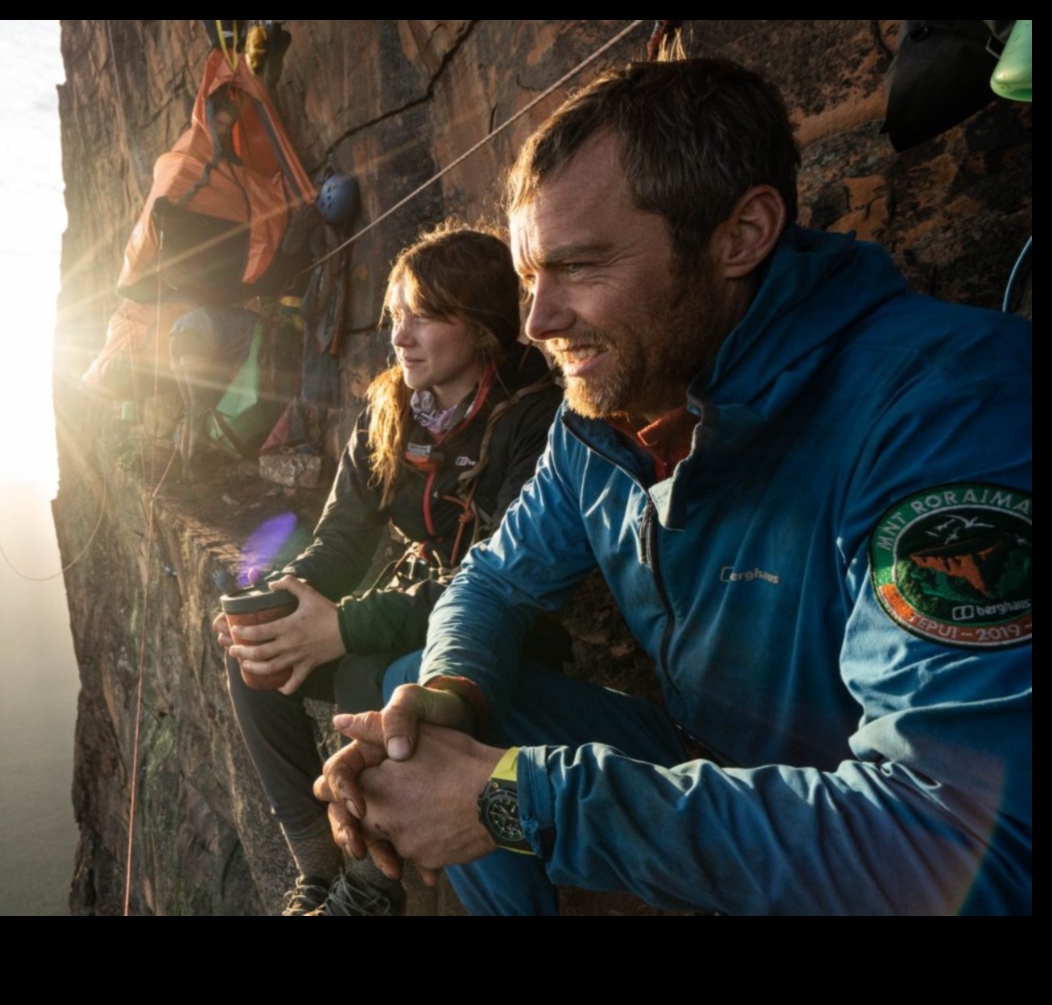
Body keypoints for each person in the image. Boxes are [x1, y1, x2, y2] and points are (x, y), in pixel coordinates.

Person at [314, 58, 1032, 915]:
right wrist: (447, 694)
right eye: (529, 277)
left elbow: (961, 838)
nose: (537, 322)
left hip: (858, 813)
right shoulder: (602, 422)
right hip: (706, 755)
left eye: (578, 267)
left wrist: (518, 799)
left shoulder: (942, 405)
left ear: (741, 234)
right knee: (425, 709)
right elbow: (494, 578)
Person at [216, 225, 566, 915]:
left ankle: (373, 886)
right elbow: (343, 537)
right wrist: (290, 597)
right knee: (253, 656)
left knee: (366, 674)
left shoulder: (535, 416)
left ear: (484, 325)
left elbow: (497, 578)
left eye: (425, 315)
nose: (400, 336)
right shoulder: (392, 411)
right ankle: (317, 868)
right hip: (416, 603)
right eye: (396, 314)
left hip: (506, 636)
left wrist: (344, 625)